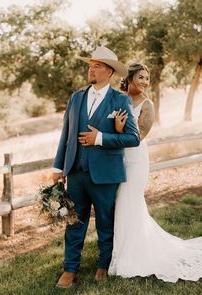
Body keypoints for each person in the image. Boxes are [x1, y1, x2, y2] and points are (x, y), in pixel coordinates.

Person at [108, 63, 202, 282]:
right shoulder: (117, 99)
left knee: (129, 201)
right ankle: (118, 249)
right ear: (129, 78)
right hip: (114, 158)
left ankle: (131, 255)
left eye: (147, 78)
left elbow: (137, 137)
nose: (145, 82)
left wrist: (118, 129)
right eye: (141, 77)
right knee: (119, 203)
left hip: (135, 161)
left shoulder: (148, 105)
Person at [52, 47, 140, 288]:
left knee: (105, 222)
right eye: (90, 64)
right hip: (76, 173)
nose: (91, 68)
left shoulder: (120, 100)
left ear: (109, 72)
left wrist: (100, 137)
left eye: (97, 65)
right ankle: (70, 269)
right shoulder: (76, 97)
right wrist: (58, 167)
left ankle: (104, 263)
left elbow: (133, 138)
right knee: (74, 222)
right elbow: (65, 135)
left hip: (106, 174)